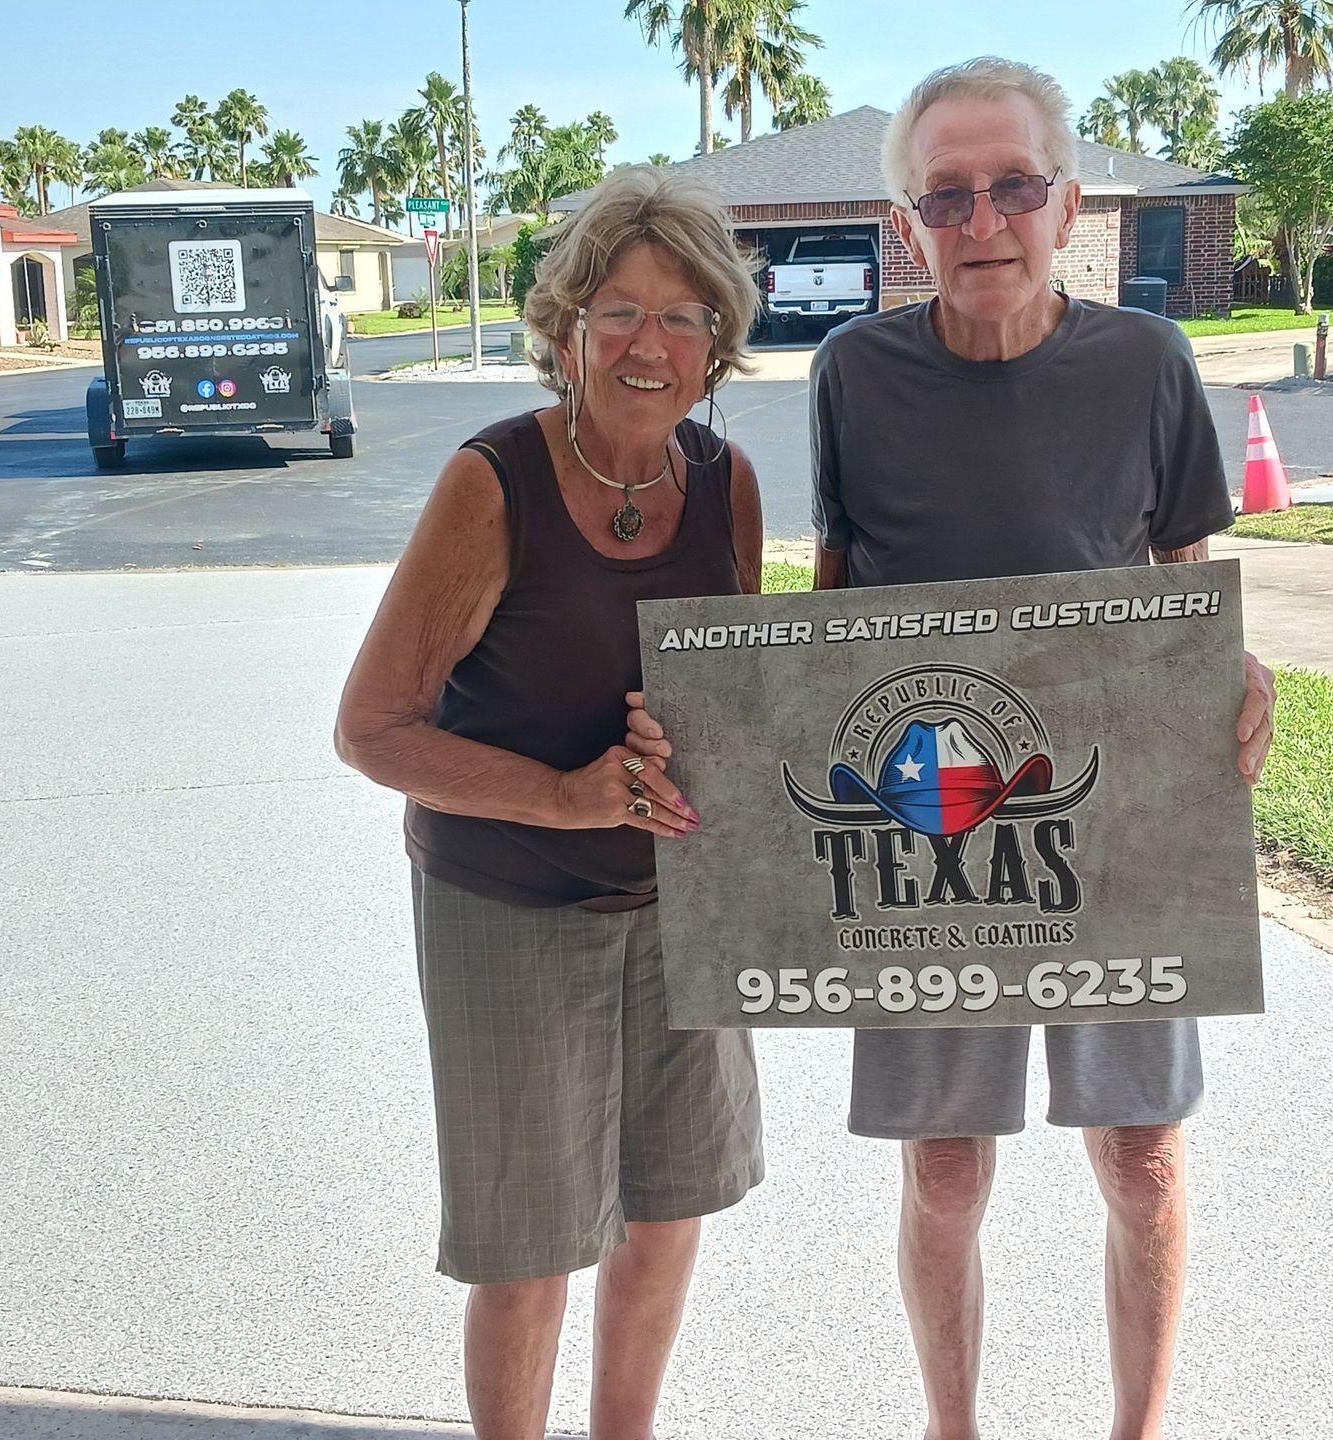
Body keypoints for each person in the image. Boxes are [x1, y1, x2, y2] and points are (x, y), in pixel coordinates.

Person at [628, 57, 1277, 1440]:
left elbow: (1185, 579)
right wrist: (747, 739)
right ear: (908, 224)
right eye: (947, 195)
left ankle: (1140, 1428)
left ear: (1068, 204)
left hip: (1114, 817)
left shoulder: (1150, 364)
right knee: (943, 1176)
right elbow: (836, 599)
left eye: (1014, 187)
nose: (984, 220)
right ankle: (953, 1426)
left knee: (1146, 1161)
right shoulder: (857, 374)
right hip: (925, 823)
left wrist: (1229, 675)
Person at [332, 166, 767, 1440]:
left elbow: (732, 695)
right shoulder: (495, 482)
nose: (649, 344)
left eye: (683, 317)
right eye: (618, 312)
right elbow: (372, 728)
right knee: (531, 1251)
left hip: (679, 909)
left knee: (669, 1212)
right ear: (566, 331)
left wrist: (712, 741)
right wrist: (568, 798)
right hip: (507, 907)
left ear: (716, 344)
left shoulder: (726, 484)